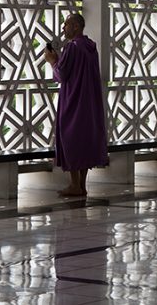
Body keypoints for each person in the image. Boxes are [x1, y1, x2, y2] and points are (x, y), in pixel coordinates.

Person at [43, 13, 108, 196]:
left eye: (66, 25)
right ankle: (81, 184)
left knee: (70, 138)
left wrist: (52, 61)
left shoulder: (73, 47)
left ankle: (74, 184)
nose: (63, 28)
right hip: (89, 101)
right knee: (84, 140)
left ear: (76, 27)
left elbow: (62, 75)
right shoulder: (90, 47)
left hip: (73, 99)